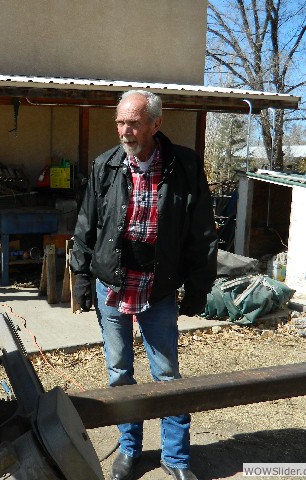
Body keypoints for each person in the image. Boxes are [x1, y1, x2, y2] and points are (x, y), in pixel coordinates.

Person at [70, 90, 217, 480]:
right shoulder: (106, 165)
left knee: (166, 375)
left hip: (159, 286)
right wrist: (82, 281)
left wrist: (197, 288)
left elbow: (203, 232)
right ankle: (130, 451)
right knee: (119, 373)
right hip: (113, 286)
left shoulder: (184, 165)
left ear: (156, 123)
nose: (125, 130)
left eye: (133, 122)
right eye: (120, 122)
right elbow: (86, 227)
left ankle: (176, 458)